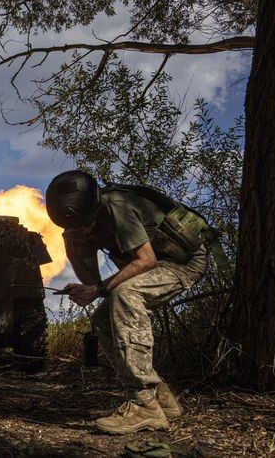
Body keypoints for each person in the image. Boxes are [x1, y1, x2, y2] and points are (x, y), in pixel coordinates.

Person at [45, 170, 209, 435]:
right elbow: (93, 284)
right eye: (73, 227)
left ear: (94, 207)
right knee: (102, 316)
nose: (80, 230)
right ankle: (161, 400)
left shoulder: (117, 207)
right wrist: (87, 286)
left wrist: (99, 288)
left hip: (183, 263)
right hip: (155, 265)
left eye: (84, 224)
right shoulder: (74, 230)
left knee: (126, 294)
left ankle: (143, 404)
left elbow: (147, 261)